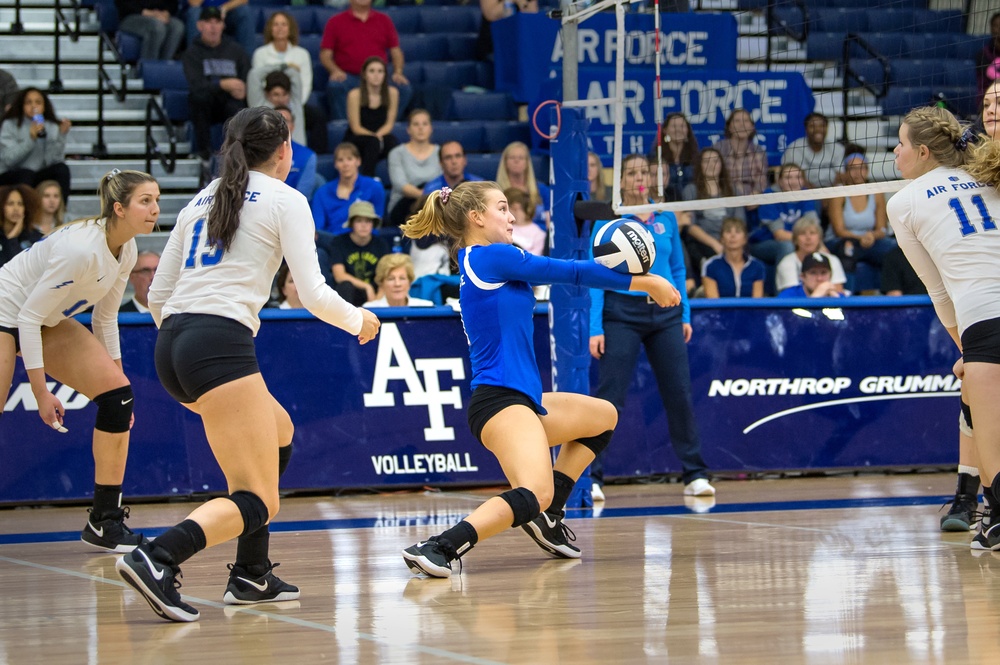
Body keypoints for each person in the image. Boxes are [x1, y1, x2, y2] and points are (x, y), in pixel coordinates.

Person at [116, 106, 380, 622]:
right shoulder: (287, 198)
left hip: (172, 341)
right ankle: (158, 556)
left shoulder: (201, 197)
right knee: (261, 498)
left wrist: (185, 339)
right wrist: (360, 321)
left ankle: (252, 573)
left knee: (280, 428)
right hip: (217, 344)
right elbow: (313, 294)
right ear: (285, 150)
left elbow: (157, 293)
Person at [399, 180, 680, 578]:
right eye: (501, 208)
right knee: (534, 490)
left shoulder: (484, 260)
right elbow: (564, 271)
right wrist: (642, 281)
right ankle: (440, 547)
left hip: (521, 401)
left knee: (603, 415)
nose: (512, 216)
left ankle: (548, 518)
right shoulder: (488, 256)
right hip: (500, 402)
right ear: (476, 218)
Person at [0, 169, 160, 554]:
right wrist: (41, 393)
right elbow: (27, 319)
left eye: (156, 200)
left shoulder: (128, 250)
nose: (155, 208)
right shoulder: (81, 250)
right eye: (146, 201)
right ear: (119, 209)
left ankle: (104, 522)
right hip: (9, 311)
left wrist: (117, 379)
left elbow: (104, 318)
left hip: (47, 319)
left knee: (118, 397)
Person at [890, 105, 1000, 548]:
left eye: (899, 144)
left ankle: (990, 515)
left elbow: (939, 294)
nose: (894, 152)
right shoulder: (989, 177)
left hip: (984, 320)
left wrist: (966, 352)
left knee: (990, 443)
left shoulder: (903, 203)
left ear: (920, 152)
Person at [589, 154, 714, 500]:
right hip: (620, 312)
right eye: (631, 173)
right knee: (609, 399)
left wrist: (684, 314)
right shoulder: (609, 221)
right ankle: (592, 477)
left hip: (666, 313)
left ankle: (695, 473)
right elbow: (596, 277)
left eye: (644, 171)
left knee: (679, 393)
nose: (639, 177)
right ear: (621, 181)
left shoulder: (666, 218)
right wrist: (594, 327)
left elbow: (677, 272)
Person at [249, 10, 327, 154]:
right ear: (270, 29)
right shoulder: (260, 53)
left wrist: (290, 103)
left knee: (317, 116)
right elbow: (256, 79)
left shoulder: (302, 54)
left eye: (283, 24)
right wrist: (285, 67)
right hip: (268, 101)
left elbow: (304, 83)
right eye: (276, 24)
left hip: (292, 101)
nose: (280, 28)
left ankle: (318, 156)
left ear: (290, 28)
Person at [319, 0, 411, 121]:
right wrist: (335, 71)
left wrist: (398, 72)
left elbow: (396, 51)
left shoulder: (384, 20)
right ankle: (343, 127)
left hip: (379, 76)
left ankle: (387, 125)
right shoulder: (335, 22)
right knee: (335, 87)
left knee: (403, 88)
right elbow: (325, 54)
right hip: (349, 77)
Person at [181, 7, 250, 160]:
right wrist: (222, 84)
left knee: (237, 107)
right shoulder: (192, 53)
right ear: (199, 26)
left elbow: (246, 75)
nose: (213, 27)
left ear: (223, 25)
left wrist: (243, 88)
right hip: (205, 104)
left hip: (229, 101)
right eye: (208, 22)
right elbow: (196, 85)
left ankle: (235, 155)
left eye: (217, 22)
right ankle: (203, 153)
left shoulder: (236, 50)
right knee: (198, 98)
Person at [825, 153, 895, 277]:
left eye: (861, 167)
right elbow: (839, 231)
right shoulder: (838, 193)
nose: (857, 172)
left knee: (893, 250)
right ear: (846, 172)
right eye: (852, 168)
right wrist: (861, 238)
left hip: (869, 240)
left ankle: (892, 293)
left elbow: (882, 228)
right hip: (842, 240)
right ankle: (846, 294)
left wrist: (872, 235)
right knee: (847, 250)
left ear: (867, 171)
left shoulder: (876, 193)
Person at [0, 88, 72, 199]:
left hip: (38, 173)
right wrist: (31, 139)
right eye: (28, 102)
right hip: (13, 174)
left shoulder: (51, 126)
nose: (34, 106)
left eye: (38, 102)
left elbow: (53, 160)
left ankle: (61, 213)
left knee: (62, 169)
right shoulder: (10, 124)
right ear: (22, 105)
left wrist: (61, 136)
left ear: (44, 106)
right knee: (26, 174)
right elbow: (9, 160)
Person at [682, 147, 745, 270]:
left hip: (729, 238)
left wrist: (729, 241)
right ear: (700, 165)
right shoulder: (691, 190)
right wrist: (715, 244)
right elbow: (690, 226)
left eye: (715, 161)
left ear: (721, 165)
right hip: (703, 241)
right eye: (706, 161)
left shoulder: (733, 189)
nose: (711, 165)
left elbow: (739, 222)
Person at [750, 163, 819, 272]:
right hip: (763, 243)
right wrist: (808, 242)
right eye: (788, 177)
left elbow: (813, 227)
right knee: (787, 247)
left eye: (798, 177)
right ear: (780, 181)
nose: (793, 182)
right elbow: (779, 234)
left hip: (797, 241)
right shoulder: (770, 195)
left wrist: (818, 244)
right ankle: (784, 287)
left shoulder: (806, 194)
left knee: (821, 249)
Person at [311, 142, 385, 234]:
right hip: (333, 243)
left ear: (358, 161)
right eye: (340, 160)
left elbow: (376, 223)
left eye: (350, 159)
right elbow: (319, 230)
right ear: (335, 165)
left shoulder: (374, 187)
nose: (345, 164)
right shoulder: (322, 193)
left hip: (364, 240)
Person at [344, 57, 400, 177]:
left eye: (380, 71)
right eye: (372, 71)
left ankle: (397, 180)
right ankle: (368, 178)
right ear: (364, 74)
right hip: (359, 136)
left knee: (392, 142)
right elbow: (356, 127)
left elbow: (389, 123)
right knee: (372, 143)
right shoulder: (354, 95)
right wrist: (375, 138)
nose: (376, 75)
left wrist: (379, 137)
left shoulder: (392, 93)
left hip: (381, 134)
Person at [329, 200, 389, 305]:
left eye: (368, 221)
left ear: (373, 224)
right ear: (352, 223)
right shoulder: (339, 242)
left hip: (375, 294)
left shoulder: (381, 244)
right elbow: (339, 275)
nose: (364, 225)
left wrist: (377, 301)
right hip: (349, 294)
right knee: (345, 286)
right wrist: (367, 286)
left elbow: (386, 275)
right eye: (359, 221)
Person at [387, 109, 440, 228]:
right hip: (404, 206)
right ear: (408, 129)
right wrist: (427, 197)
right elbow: (401, 185)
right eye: (416, 124)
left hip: (434, 206)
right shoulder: (396, 153)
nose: (420, 128)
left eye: (425, 124)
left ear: (431, 128)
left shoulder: (440, 153)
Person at [712, 108, 768, 218]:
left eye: (746, 121)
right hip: (726, 199)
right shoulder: (718, 149)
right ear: (729, 127)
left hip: (753, 202)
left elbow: (761, 178)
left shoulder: (759, 150)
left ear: (752, 127)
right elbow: (713, 177)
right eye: (737, 121)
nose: (742, 125)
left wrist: (756, 196)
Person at [774, 218, 847, 294]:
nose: (808, 238)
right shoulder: (787, 263)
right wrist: (820, 292)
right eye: (802, 234)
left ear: (820, 238)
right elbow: (793, 297)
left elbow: (837, 292)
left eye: (812, 233)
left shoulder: (832, 260)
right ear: (795, 239)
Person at [701, 217, 764, 298]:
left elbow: (757, 302)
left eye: (738, 232)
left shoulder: (757, 266)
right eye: (728, 231)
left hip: (749, 311)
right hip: (720, 310)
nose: (733, 236)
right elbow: (713, 302)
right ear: (722, 238)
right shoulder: (710, 266)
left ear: (745, 239)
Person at [780, 112, 845, 190]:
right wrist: (816, 195)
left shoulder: (837, 148)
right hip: (804, 192)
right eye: (812, 126)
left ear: (827, 128)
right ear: (806, 129)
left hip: (832, 192)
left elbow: (840, 176)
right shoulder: (795, 148)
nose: (818, 129)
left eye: (822, 126)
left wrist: (829, 194)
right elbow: (798, 178)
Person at [496, 141, 549, 229]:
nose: (516, 161)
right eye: (512, 157)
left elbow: (550, 222)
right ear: (505, 162)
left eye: (521, 158)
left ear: (527, 163)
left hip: (540, 237)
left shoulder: (542, 190)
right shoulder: (496, 192)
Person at [648, 112, 699, 202]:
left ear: (688, 130)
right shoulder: (655, 156)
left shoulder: (696, 157)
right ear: (665, 130)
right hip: (666, 202)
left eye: (682, 126)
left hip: (693, 204)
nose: (678, 130)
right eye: (674, 126)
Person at [115, 0, 184, 61]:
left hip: (159, 15)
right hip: (132, 16)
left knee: (177, 26)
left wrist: (167, 12)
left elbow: (172, 3)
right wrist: (151, 14)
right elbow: (123, 3)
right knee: (156, 27)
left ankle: (164, 66)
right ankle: (148, 68)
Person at [251, 71, 306, 146]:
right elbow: (254, 75)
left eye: (284, 94)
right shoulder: (260, 108)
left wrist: (285, 67)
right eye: (276, 94)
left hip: (298, 154)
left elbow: (294, 74)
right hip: (270, 153)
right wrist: (282, 66)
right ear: (267, 94)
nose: (281, 99)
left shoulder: (295, 104)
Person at [184, 0, 255, 57]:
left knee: (245, 11)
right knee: (194, 12)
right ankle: (195, 58)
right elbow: (194, 3)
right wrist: (210, 14)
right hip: (202, 14)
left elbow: (243, 0)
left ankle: (247, 62)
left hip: (225, 13)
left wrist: (223, 9)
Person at [273, 105, 316, 200]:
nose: (282, 125)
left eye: (286, 121)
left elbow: (302, 195)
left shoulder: (307, 156)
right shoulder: (259, 152)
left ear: (293, 126)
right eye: (277, 121)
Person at [364, 253, 434, 308]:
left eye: (402, 278)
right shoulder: (369, 310)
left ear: (409, 282)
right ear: (381, 283)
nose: (397, 284)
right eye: (391, 279)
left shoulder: (426, 307)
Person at [776, 252, 845, 298]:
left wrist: (837, 301)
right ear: (803, 277)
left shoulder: (838, 297)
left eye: (823, 273)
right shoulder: (789, 296)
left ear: (831, 276)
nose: (819, 278)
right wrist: (816, 296)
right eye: (813, 273)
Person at [0, 185, 37, 267]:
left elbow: (20, 269)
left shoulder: (34, 238)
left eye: (20, 204)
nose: (16, 208)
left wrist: (12, 239)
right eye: (10, 204)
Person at [507, 187, 545, 257]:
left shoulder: (538, 234)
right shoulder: (505, 228)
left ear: (515, 207)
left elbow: (534, 261)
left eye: (505, 208)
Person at [976, 12, 1000, 108]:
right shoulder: (983, 55)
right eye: (996, 26)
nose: (999, 29)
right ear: (991, 28)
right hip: (987, 101)